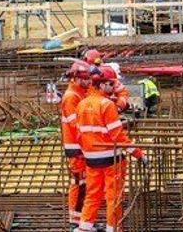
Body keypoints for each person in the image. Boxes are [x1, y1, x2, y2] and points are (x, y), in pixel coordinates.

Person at [76, 66, 146, 232]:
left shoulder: (82, 103)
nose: (114, 87)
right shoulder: (106, 105)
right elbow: (118, 137)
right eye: (111, 84)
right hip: (111, 160)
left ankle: (84, 228)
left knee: (92, 195)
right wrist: (139, 154)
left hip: (91, 159)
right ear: (101, 85)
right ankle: (113, 228)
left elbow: (79, 134)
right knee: (113, 197)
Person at [60, 61, 92, 230]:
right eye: (86, 79)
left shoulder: (80, 93)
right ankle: (75, 221)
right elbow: (76, 124)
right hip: (76, 147)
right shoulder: (71, 97)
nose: (89, 82)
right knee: (79, 183)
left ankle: (82, 220)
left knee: (84, 184)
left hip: (81, 146)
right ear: (77, 78)